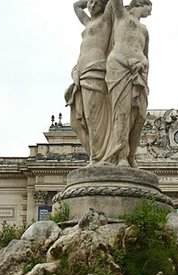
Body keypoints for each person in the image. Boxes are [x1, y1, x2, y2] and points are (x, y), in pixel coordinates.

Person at [65, 0, 113, 165]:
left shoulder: (106, 20)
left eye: (96, 3)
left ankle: (98, 158)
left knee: (93, 118)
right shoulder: (89, 22)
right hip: (80, 73)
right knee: (77, 121)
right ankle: (95, 154)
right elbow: (76, 6)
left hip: (96, 70)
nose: (91, 6)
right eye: (90, 2)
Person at [105, 0, 152, 167]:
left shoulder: (144, 30)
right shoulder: (121, 16)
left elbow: (147, 54)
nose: (150, 13)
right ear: (141, 3)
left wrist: (144, 67)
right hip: (120, 68)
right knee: (122, 112)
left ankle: (131, 154)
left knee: (140, 115)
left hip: (139, 73)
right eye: (149, 8)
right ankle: (121, 155)